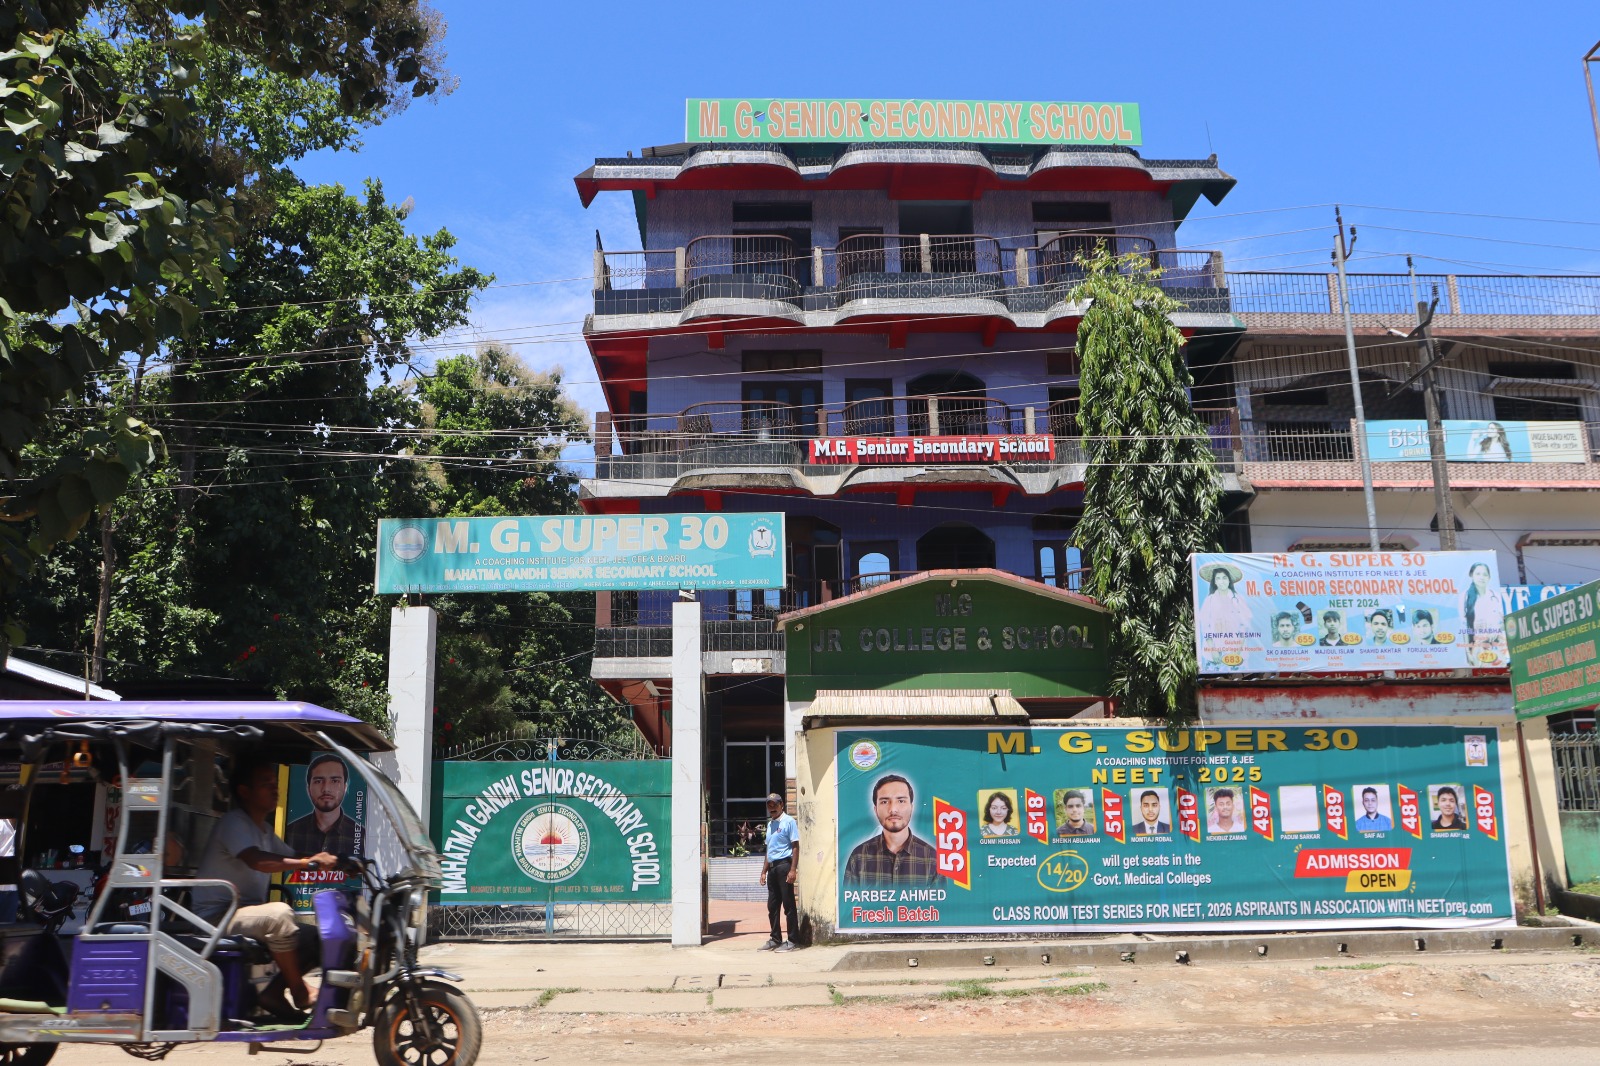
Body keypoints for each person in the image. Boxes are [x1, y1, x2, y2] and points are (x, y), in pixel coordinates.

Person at [192, 758, 341, 1021]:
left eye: (275, 784)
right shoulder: (234, 823)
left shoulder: (263, 829)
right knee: (280, 915)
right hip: (218, 917)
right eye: (266, 784)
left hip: (245, 913)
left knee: (315, 936)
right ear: (245, 791)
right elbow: (258, 860)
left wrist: (341, 861)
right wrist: (312, 862)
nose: (275, 789)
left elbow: (294, 855)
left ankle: (272, 993)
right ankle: (300, 991)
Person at [843, 775, 939, 887]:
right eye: (884, 802)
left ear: (911, 807)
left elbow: (943, 904)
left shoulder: (933, 858)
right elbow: (848, 903)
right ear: (875, 809)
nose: (893, 809)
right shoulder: (859, 856)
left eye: (901, 801)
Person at [285, 753, 362, 858]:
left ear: (345, 787)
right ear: (308, 788)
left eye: (335, 781)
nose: (326, 788)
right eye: (318, 781)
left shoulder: (360, 836)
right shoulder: (290, 832)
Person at [757, 792, 799, 953]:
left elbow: (795, 846)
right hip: (773, 869)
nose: (772, 808)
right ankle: (775, 938)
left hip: (784, 866)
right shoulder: (770, 824)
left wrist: (793, 869)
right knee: (772, 906)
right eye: (769, 805)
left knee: (788, 905)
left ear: (782, 805)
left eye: (775, 804)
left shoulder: (789, 822)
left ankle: (793, 940)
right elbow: (769, 849)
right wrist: (763, 871)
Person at [1195, 563, 1254, 649]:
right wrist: (1213, 651)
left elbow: (1245, 625)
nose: (1221, 581)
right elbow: (1205, 626)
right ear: (1215, 582)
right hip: (1214, 652)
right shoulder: (1209, 600)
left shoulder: (1238, 599)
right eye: (1218, 578)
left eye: (1224, 578)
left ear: (1229, 580)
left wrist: (1237, 650)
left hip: (1238, 650)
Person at [1460, 562, 1505, 664]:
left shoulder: (1496, 596)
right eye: (1478, 574)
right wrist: (1468, 653)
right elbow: (1464, 627)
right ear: (1471, 575)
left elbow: (1505, 622)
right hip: (1478, 648)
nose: (1482, 577)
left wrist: (1497, 629)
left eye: (1485, 574)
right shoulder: (1465, 597)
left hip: (1498, 645)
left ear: (1489, 577)